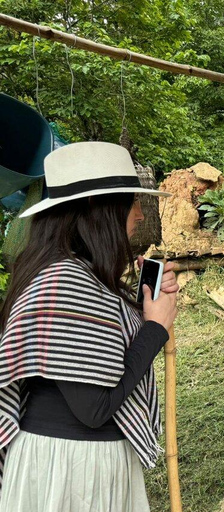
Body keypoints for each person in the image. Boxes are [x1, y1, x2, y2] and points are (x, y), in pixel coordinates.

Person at [0, 142, 179, 511]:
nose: (140, 216)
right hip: (74, 470)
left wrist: (140, 302)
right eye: (132, 202)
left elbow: (97, 351)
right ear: (102, 209)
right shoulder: (66, 280)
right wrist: (154, 329)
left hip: (78, 461)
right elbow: (95, 409)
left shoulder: (73, 273)